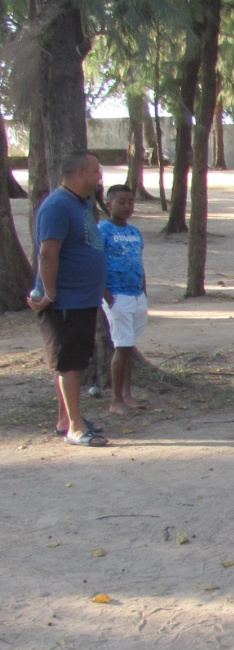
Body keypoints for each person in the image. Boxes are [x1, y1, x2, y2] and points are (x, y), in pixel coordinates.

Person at [26, 152, 110, 447]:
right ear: (79, 173)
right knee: (68, 364)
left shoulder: (82, 205)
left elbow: (91, 246)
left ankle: (66, 419)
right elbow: (48, 253)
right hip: (64, 302)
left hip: (83, 299)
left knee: (75, 361)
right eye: (96, 171)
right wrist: (49, 294)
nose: (100, 177)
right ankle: (75, 428)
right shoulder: (57, 207)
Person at [99, 184, 148, 414]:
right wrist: (107, 296)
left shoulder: (135, 233)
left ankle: (128, 394)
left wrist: (144, 292)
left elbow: (139, 262)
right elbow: (94, 265)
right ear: (109, 205)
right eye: (122, 202)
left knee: (129, 346)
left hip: (136, 295)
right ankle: (116, 400)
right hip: (116, 295)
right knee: (121, 345)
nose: (127, 206)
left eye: (131, 202)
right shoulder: (103, 231)